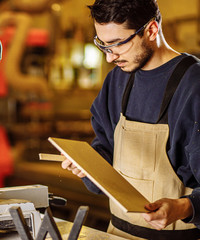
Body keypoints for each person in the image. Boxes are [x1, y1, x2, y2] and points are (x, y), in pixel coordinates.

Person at [61, 0, 200, 239]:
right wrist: (89, 166)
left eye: (117, 44)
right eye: (103, 45)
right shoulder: (116, 81)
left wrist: (186, 207)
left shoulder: (194, 86)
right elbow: (105, 148)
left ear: (151, 30)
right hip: (116, 233)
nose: (109, 58)